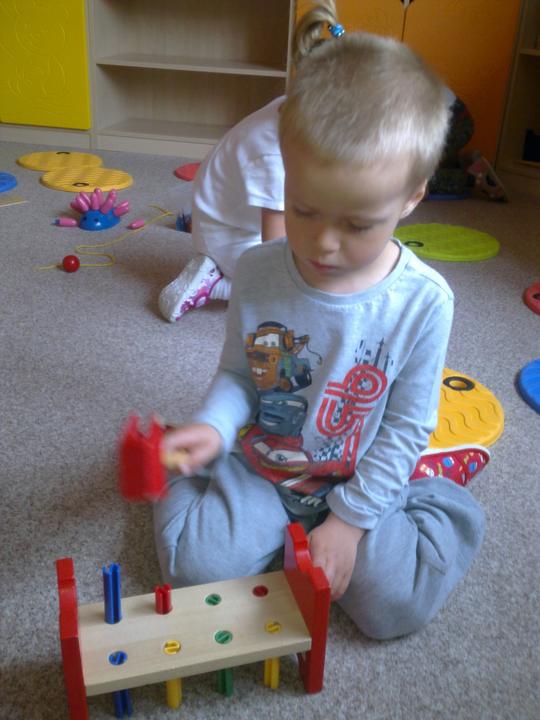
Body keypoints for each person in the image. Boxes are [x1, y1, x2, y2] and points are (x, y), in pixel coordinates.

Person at [153, 1, 489, 640]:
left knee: (393, 609)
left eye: (357, 224)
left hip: (362, 473)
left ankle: (439, 501)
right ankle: (196, 463)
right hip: (264, 466)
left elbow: (405, 426)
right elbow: (240, 375)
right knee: (194, 571)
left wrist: (352, 521)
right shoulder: (258, 271)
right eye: (303, 209)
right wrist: (213, 425)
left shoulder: (425, 302)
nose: (323, 243)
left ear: (413, 196)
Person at [158, 95, 287, 322]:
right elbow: (274, 251)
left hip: (236, 221)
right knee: (295, 283)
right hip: (229, 238)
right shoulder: (272, 155)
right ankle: (219, 284)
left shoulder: (292, 108)